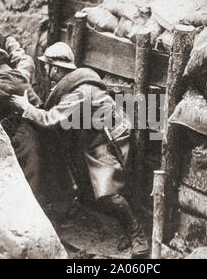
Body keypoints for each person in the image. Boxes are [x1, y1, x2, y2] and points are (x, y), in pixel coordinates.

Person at [11, 42, 150, 258]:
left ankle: (138, 236)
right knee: (88, 188)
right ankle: (121, 229)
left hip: (108, 139)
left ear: (56, 68)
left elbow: (50, 119)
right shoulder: (75, 88)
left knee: (108, 192)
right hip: (95, 138)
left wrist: (27, 108)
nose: (46, 72)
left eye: (48, 67)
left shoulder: (80, 92)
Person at [0, 45, 46, 203]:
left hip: (28, 127)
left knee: (27, 172)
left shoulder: (5, 77)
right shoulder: (7, 73)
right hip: (26, 124)